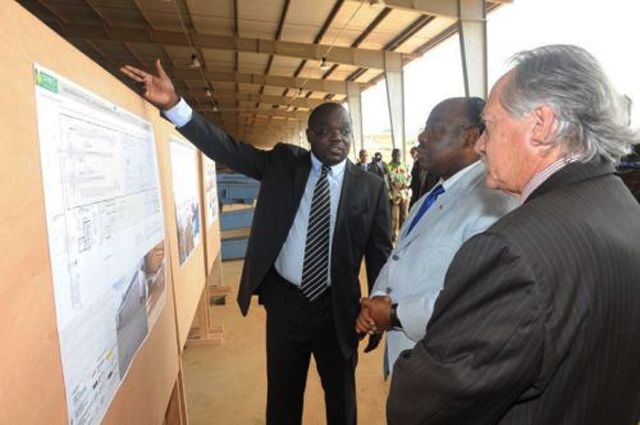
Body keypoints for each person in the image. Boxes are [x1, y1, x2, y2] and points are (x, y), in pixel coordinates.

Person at [121, 60, 392, 425]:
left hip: (338, 308)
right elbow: (228, 149)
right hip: (287, 305)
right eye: (326, 131)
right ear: (309, 135)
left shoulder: (371, 187)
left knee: (342, 399)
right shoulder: (283, 163)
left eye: (345, 131)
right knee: (282, 398)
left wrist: (379, 304)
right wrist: (174, 106)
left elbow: (380, 255)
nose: (337, 138)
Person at [387, 45, 640, 424]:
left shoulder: (511, 249)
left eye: (489, 126)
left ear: (541, 124)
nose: (481, 144)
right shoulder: (624, 208)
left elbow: (425, 405)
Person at [355, 97, 516, 375]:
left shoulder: (492, 204)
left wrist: (393, 315)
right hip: (411, 363)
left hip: (445, 368)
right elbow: (398, 257)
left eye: (435, 128)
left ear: (470, 137)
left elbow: (472, 299)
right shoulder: (431, 197)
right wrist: (377, 301)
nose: (421, 137)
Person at [386, 148, 411, 242]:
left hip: (404, 194)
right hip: (394, 194)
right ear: (392, 155)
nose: (397, 157)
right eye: (396, 155)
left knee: (405, 215)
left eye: (399, 155)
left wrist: (406, 184)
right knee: (394, 217)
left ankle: (403, 234)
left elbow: (409, 178)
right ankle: (393, 235)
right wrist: (392, 190)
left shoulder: (405, 165)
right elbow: (386, 180)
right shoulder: (388, 166)